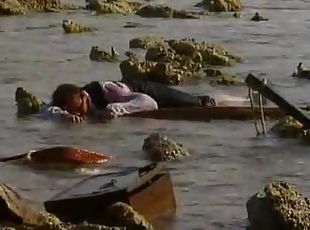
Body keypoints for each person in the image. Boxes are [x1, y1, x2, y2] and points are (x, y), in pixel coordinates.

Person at [40, 78, 219, 123]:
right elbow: (45, 111)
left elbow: (149, 102)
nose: (80, 113)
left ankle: (207, 98)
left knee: (195, 103)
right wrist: (63, 117)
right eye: (74, 111)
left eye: (82, 107)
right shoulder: (64, 107)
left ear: (84, 96)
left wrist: (115, 109)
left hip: (139, 91)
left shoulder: (108, 92)